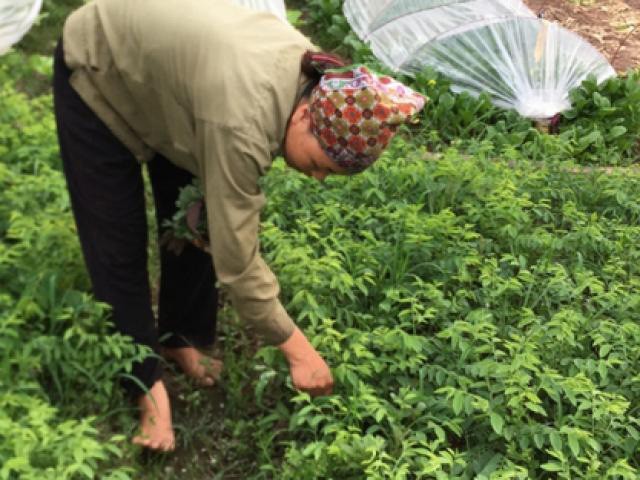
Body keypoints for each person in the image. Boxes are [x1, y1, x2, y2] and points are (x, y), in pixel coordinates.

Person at [53, 0, 426, 452]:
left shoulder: (314, 80)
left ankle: (181, 338)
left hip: (176, 81)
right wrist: (299, 351)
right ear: (305, 116)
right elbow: (237, 261)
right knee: (117, 240)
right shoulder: (242, 121)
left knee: (197, 212)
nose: (320, 178)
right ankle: (145, 387)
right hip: (99, 59)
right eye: (322, 163)